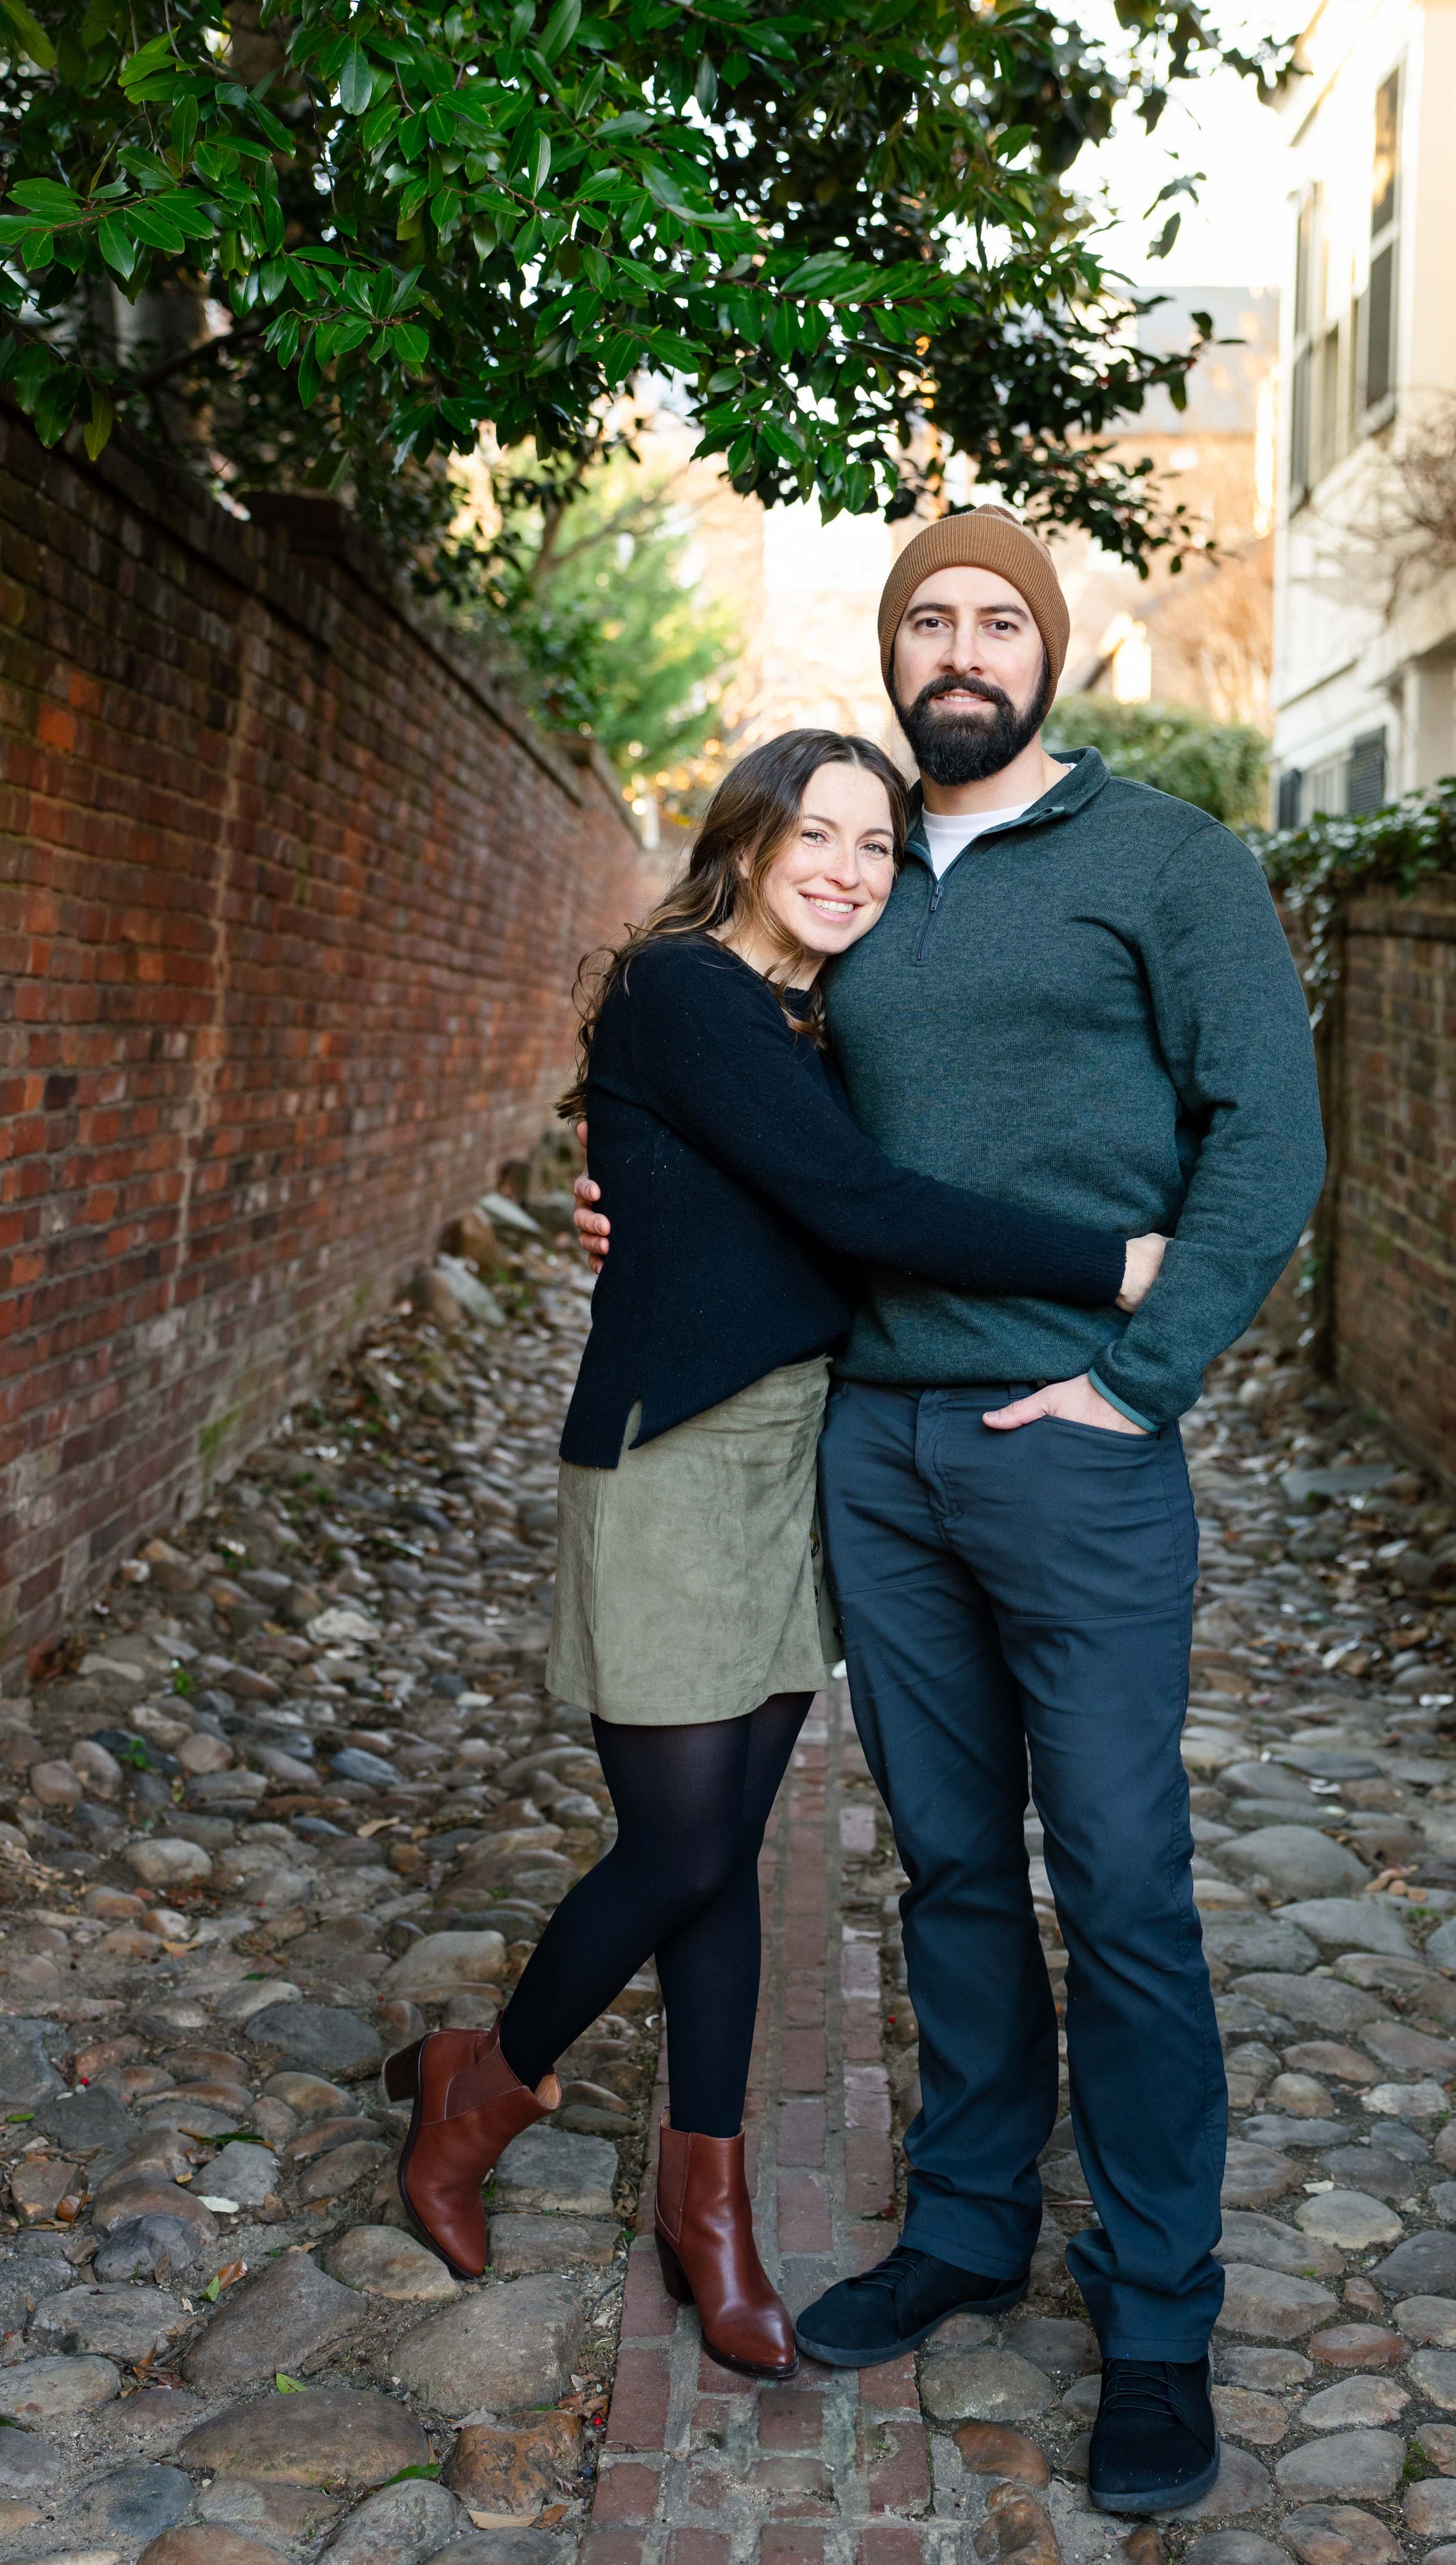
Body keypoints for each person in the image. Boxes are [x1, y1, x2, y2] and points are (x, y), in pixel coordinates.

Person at [575, 508, 1325, 2509]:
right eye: (931, 617)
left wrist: (1138, 1378)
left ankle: (1157, 2308)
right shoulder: (859, 862)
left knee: (1123, 1881)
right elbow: (758, 1112)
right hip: (871, 1451)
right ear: (892, 649)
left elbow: (1272, 1136)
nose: (964, 647)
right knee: (947, 1865)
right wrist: (631, 1204)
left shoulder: (1169, 861)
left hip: (1072, 1449)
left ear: (1054, 648)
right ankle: (971, 2216)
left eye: (1001, 617)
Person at [383, 725, 1164, 2384]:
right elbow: (856, 1203)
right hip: (675, 1457)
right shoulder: (687, 991)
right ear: (744, 839)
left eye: (877, 848)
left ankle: (704, 2198)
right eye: (818, 834)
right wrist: (1109, 1260)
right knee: (672, 1852)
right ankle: (479, 2102)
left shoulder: (799, 1020)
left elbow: (783, 1209)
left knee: (722, 1847)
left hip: (786, 1451)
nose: (847, 870)